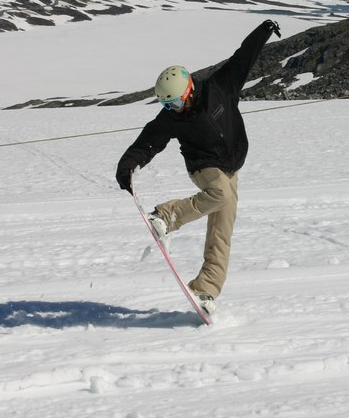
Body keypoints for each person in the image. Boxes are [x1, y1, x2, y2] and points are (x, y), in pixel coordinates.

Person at [115, 19, 281, 312]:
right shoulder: (172, 118)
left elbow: (244, 56)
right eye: (166, 105)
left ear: (189, 90)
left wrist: (263, 31)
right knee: (220, 194)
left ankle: (205, 290)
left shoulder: (220, 87)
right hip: (203, 166)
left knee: (222, 231)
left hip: (230, 167)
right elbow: (149, 141)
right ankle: (166, 216)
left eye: (175, 103)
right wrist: (127, 166)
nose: (172, 109)